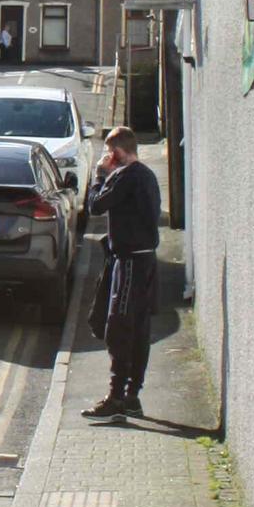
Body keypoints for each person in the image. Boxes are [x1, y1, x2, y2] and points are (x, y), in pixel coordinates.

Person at [83, 125, 162, 419]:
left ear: (116, 153)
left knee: (119, 327)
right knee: (138, 329)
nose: (105, 156)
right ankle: (131, 396)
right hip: (144, 260)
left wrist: (99, 177)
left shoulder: (126, 177)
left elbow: (95, 206)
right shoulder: (147, 175)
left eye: (106, 151)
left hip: (130, 262)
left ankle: (117, 397)